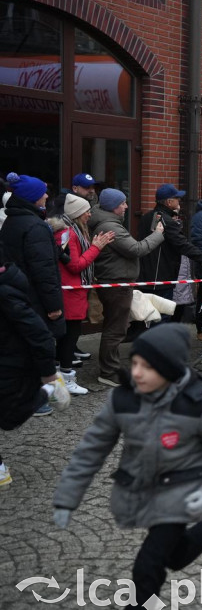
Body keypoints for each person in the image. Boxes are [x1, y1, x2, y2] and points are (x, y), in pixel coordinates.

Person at [51, 323, 202, 610]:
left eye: (147, 367)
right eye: (135, 363)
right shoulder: (123, 400)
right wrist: (67, 498)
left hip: (181, 492)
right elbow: (90, 451)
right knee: (175, 558)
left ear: (169, 370)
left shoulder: (198, 404)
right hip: (141, 492)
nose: (136, 372)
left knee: (147, 567)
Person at [0, 251, 71, 485]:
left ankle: (48, 391)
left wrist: (49, 375)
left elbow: (39, 335)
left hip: (13, 364)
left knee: (9, 419)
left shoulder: (6, 294)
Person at [89, 189, 165, 387]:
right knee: (115, 329)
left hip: (116, 281)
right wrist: (157, 235)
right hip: (116, 283)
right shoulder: (110, 227)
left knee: (115, 327)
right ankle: (108, 372)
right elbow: (137, 249)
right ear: (114, 207)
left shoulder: (106, 223)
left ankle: (111, 368)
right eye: (123, 203)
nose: (126, 207)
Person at [52, 194, 116, 394]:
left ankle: (59, 380)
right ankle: (65, 379)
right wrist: (96, 248)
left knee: (66, 337)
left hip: (73, 291)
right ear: (78, 214)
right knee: (69, 338)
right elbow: (75, 265)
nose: (90, 214)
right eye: (87, 211)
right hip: (71, 292)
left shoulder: (72, 232)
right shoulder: (69, 234)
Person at [0, 173, 66, 341]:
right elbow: (44, 271)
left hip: (18, 297)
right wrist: (54, 306)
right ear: (32, 197)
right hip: (35, 301)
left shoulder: (12, 221)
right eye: (42, 192)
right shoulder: (35, 226)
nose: (46, 196)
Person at [139, 185, 202, 310]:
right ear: (169, 202)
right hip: (161, 278)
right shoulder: (168, 221)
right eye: (177, 198)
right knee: (161, 317)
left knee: (145, 317)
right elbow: (184, 246)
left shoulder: (147, 217)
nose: (179, 201)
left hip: (145, 277)